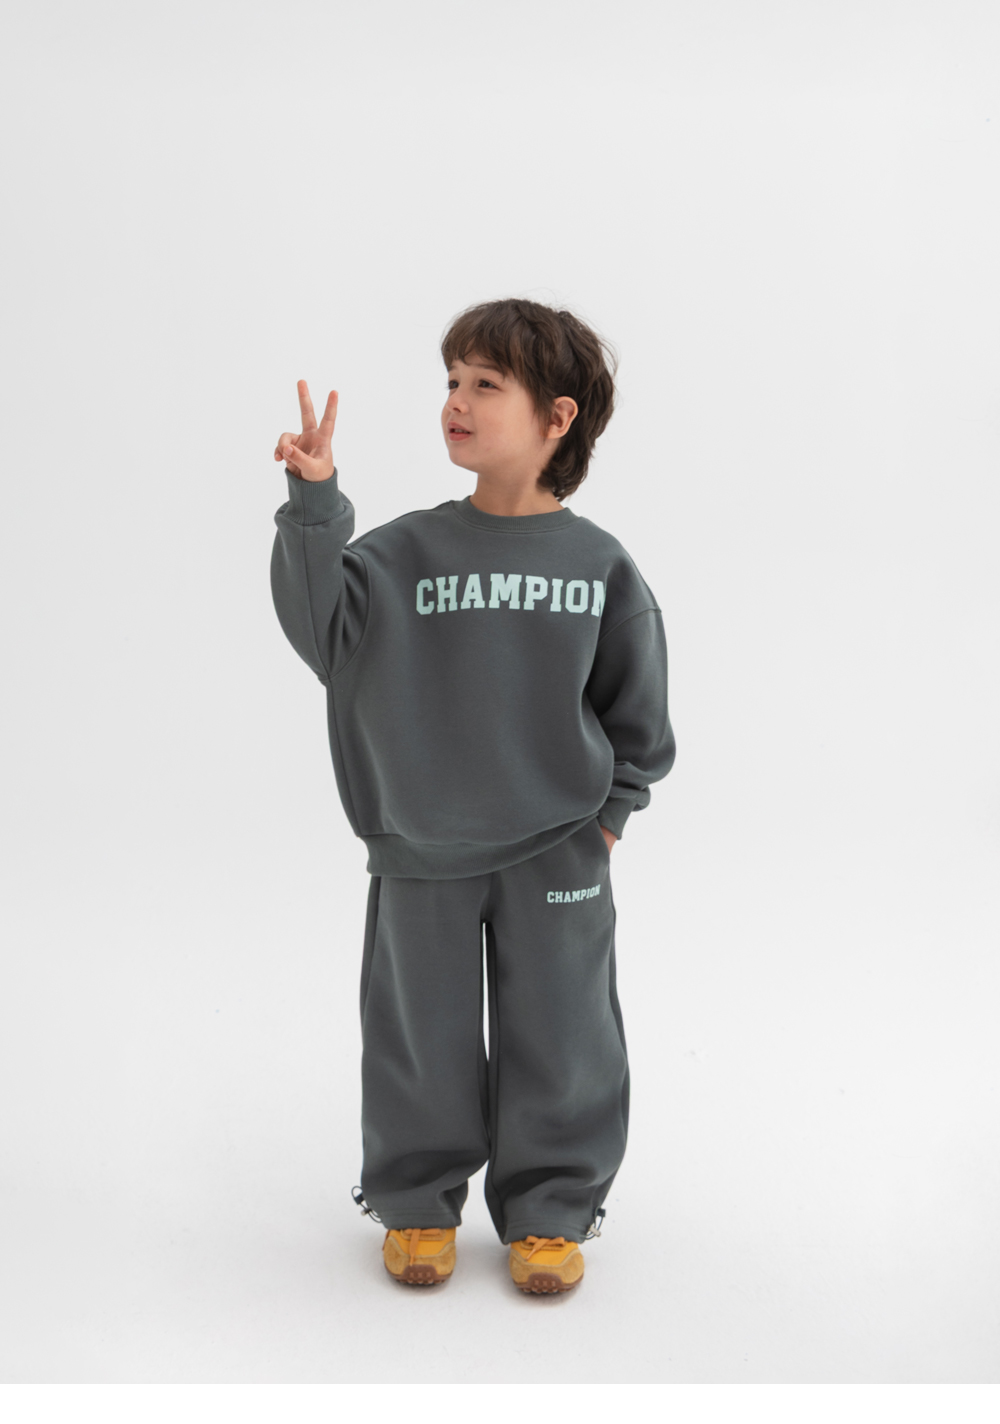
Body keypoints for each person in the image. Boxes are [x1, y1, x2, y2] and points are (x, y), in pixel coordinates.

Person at [270, 297, 676, 1294]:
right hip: (422, 849)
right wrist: (316, 502)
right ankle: (416, 1202)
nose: (456, 400)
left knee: (564, 1033)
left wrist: (610, 817)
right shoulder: (400, 554)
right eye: (451, 380)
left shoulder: (598, 565)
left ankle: (551, 1208)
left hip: (559, 847)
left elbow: (636, 710)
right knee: (421, 1033)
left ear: (557, 417)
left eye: (485, 384)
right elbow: (323, 629)